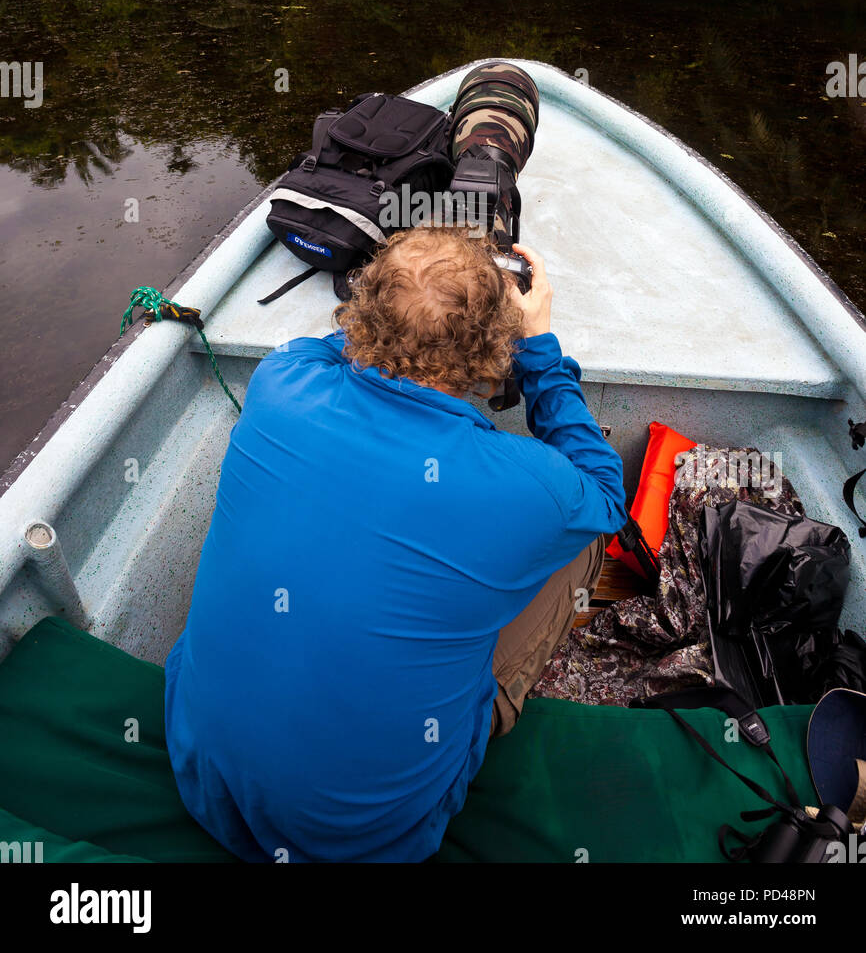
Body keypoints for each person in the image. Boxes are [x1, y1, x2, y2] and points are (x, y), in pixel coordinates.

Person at [164, 226, 626, 863]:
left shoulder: (281, 380)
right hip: (369, 842)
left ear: (362, 315)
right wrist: (540, 345)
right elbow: (605, 491)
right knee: (578, 543)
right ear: (500, 345)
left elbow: (337, 346)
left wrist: (412, 299)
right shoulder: (532, 486)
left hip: (202, 779)